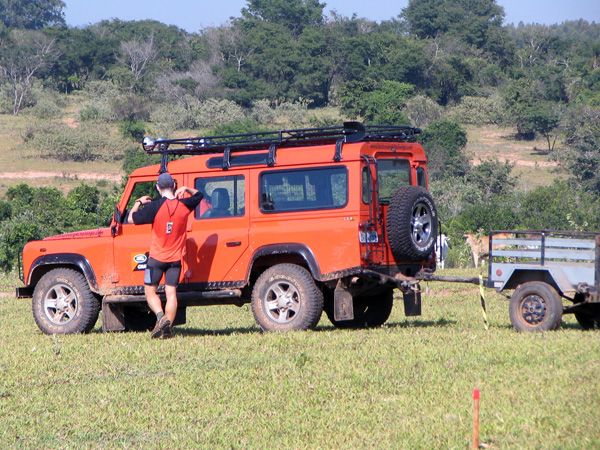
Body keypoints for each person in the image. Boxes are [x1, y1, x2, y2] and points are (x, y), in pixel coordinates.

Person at [128, 172, 203, 338]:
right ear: (174, 186)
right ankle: (167, 330)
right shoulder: (185, 205)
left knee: (150, 291)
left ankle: (161, 318)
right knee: (171, 294)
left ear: (157, 187)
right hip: (175, 260)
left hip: (156, 259)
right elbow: (200, 195)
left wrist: (138, 202)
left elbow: (131, 219)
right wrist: (186, 189)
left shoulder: (154, 207)